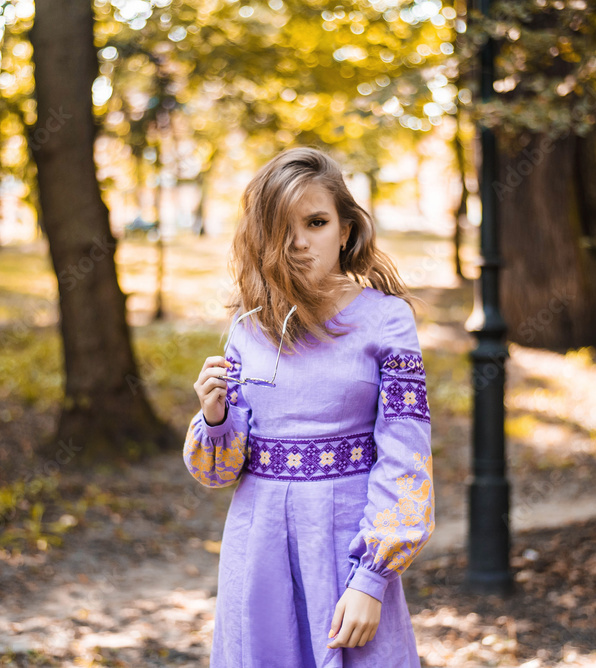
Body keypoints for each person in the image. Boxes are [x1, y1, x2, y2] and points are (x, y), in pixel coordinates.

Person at [183, 146, 434, 667]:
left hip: (347, 548)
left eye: (316, 222)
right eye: (282, 228)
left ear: (345, 230)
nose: (299, 243)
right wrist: (215, 417)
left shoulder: (387, 321)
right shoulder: (248, 326)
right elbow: (218, 472)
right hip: (258, 552)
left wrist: (372, 578)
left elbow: (406, 458)